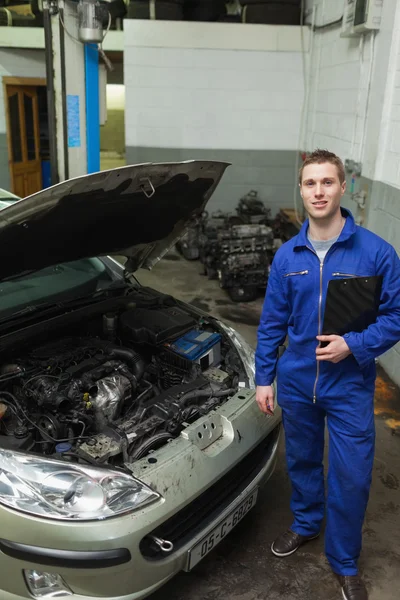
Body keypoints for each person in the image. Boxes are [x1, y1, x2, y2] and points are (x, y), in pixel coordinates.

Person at [255, 149, 400, 600]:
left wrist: (351, 345)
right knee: (300, 460)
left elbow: (395, 316)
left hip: (350, 384)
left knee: (351, 475)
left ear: (342, 188)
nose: (318, 191)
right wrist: (265, 377)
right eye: (310, 183)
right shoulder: (287, 256)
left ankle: (344, 561)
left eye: (327, 182)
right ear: (301, 190)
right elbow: (272, 322)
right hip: (297, 379)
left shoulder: (377, 252)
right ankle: (305, 523)